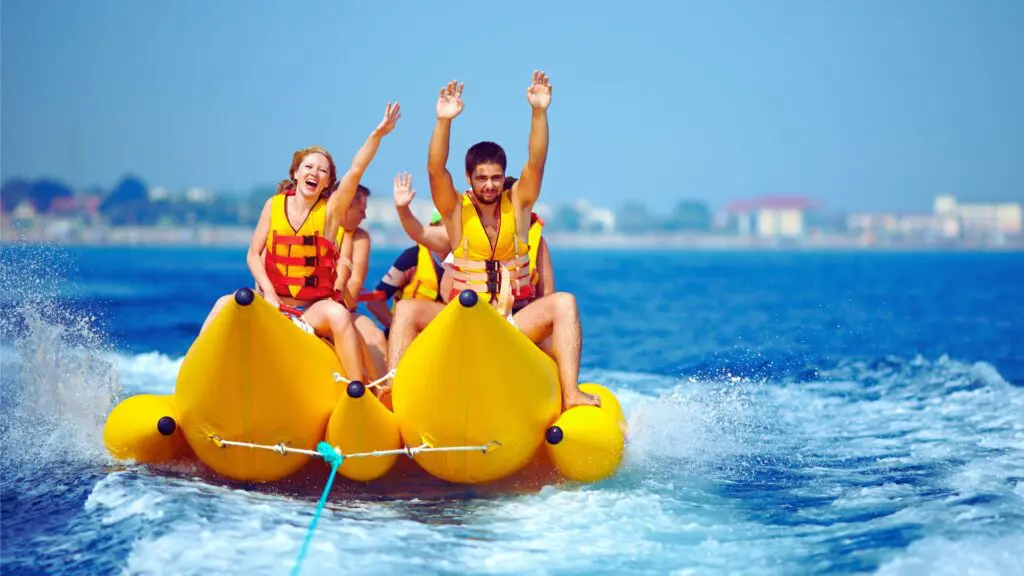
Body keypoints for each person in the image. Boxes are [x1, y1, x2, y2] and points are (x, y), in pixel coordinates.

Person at [386, 72, 599, 410]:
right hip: (464, 319)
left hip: (511, 321)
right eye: (482, 178)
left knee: (565, 302)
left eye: (496, 177)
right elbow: (435, 170)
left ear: (504, 177)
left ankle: (570, 394)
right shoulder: (456, 209)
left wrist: (539, 113)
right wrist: (443, 122)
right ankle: (395, 392)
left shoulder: (518, 204)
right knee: (408, 309)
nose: (489, 184)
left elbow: (537, 161)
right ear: (469, 179)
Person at [198, 102, 401, 385]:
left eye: (322, 171)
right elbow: (254, 254)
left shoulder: (330, 212)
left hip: (311, 308)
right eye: (309, 167)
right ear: (295, 173)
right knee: (222, 305)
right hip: (273, 301)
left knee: (340, 316)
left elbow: (356, 170)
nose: (314, 173)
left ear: (328, 182)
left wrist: (377, 135)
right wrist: (268, 292)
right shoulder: (273, 205)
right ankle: (194, 377)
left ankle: (356, 393)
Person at [365, 173, 448, 333]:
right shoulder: (412, 257)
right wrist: (399, 328)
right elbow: (374, 301)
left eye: (452, 229)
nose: (444, 235)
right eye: (441, 227)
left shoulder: (463, 260)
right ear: (431, 227)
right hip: (409, 335)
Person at [334, 184, 388, 377]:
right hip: (309, 306)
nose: (364, 217)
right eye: (361, 210)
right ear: (346, 205)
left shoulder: (360, 238)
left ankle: (383, 395)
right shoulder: (317, 227)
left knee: (376, 337)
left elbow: (354, 286)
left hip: (344, 310)